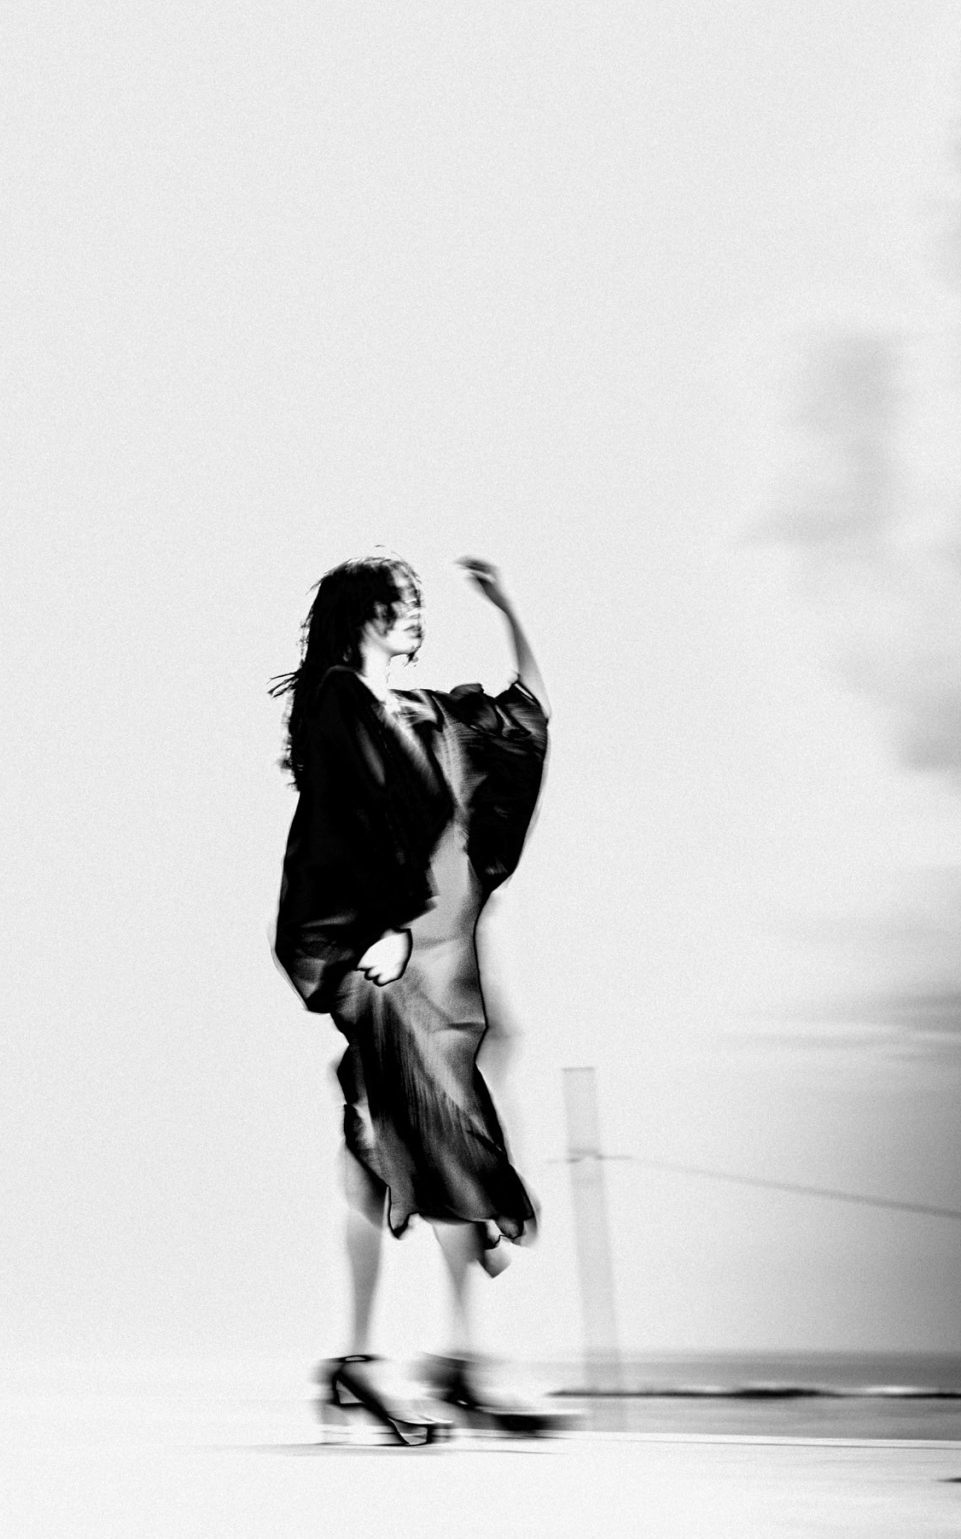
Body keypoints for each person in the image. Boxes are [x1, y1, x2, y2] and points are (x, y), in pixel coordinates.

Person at [269, 553, 554, 1444]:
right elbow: (354, 817)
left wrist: (509, 609)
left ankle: (398, 1356)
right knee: (424, 1121)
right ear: (365, 612)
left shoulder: (424, 711)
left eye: (421, 601)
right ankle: (421, 1356)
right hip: (385, 949)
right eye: (404, 601)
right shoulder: (340, 703)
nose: (418, 613)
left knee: (407, 1129)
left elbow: (527, 716)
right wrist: (389, 923)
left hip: (437, 948)